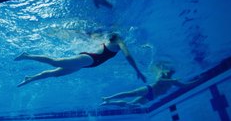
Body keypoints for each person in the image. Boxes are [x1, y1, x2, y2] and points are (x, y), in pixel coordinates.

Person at [14, 33, 146, 87]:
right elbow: (128, 55)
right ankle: (27, 55)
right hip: (88, 59)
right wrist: (138, 71)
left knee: (55, 73)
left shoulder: (110, 40)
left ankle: (29, 78)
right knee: (55, 62)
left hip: (86, 63)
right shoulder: (119, 40)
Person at [100, 65, 198, 107]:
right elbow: (159, 80)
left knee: (131, 105)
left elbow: (184, 86)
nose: (172, 70)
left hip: (153, 96)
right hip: (149, 89)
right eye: (171, 69)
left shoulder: (174, 81)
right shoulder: (163, 73)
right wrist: (172, 80)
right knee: (130, 93)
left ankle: (108, 103)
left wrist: (197, 81)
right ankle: (108, 98)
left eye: (173, 70)